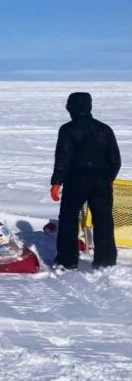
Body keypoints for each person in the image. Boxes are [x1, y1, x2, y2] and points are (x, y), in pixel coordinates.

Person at [51, 92, 122, 270]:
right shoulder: (105, 129)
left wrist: (56, 183)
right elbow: (115, 160)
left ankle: (67, 260)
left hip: (76, 182)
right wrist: (110, 178)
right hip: (101, 183)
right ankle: (105, 261)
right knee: (103, 220)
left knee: (68, 220)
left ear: (71, 108)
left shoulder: (67, 130)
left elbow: (63, 159)